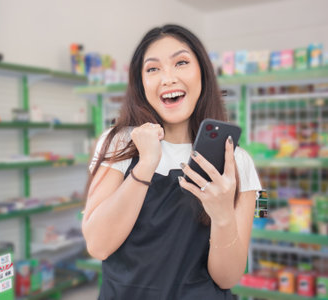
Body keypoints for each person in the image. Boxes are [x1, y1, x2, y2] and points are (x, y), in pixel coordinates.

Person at [81, 24, 262, 299]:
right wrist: (145, 164)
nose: (168, 78)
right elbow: (98, 246)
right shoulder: (119, 142)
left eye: (181, 63)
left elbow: (227, 277)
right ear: (141, 83)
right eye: (153, 69)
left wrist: (222, 214)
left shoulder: (236, 161)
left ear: (202, 72)